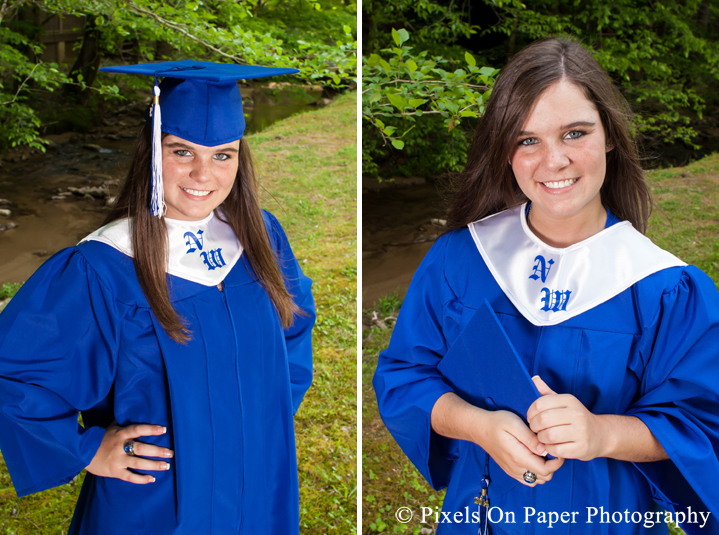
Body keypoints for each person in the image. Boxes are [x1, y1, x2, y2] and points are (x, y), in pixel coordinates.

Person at [373, 38, 719, 535]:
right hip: (480, 517)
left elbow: (702, 424)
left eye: (574, 133)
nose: (553, 161)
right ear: (505, 150)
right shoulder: (460, 260)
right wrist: (480, 427)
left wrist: (603, 433)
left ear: (610, 137)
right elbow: (404, 375)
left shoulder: (664, 289)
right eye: (527, 139)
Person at [0, 61, 315, 534]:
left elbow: (293, 333)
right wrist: (88, 449)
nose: (203, 173)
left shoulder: (260, 236)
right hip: (155, 499)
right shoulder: (105, 264)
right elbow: (16, 372)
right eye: (182, 151)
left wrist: (262, 413)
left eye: (223, 155)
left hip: (258, 481)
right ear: (151, 150)